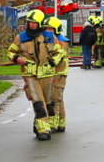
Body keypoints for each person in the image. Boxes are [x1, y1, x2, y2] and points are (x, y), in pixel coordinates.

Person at [7, 9, 65, 140]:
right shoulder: (21, 37)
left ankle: (39, 125)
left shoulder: (50, 36)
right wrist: (16, 58)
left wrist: (52, 62)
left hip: (47, 75)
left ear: (40, 24)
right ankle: (44, 131)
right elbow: (10, 52)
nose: (31, 25)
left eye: (34, 23)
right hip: (30, 75)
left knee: (48, 104)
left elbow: (60, 52)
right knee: (38, 103)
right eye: (29, 22)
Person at [45, 17, 71, 131]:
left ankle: (53, 124)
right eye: (46, 28)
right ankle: (61, 123)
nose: (48, 31)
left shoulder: (61, 42)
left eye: (50, 29)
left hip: (58, 73)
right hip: (55, 73)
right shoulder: (52, 40)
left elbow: (57, 57)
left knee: (54, 98)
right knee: (59, 98)